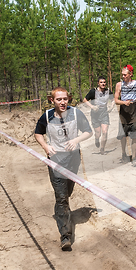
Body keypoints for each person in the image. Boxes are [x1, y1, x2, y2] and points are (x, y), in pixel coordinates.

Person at [34, 87, 93, 251]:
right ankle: (65, 236)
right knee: (61, 197)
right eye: (59, 99)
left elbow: (88, 132)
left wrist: (76, 140)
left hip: (73, 159)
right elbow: (38, 133)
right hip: (55, 160)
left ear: (69, 99)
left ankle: (63, 210)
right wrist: (46, 147)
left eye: (65, 99)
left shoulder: (76, 113)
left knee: (67, 192)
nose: (62, 102)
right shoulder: (47, 116)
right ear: (52, 100)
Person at [114, 64, 136, 166]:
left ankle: (134, 157)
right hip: (123, 113)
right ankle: (123, 154)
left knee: (134, 136)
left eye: (125, 75)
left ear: (130, 74)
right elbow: (116, 100)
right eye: (122, 75)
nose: (123, 76)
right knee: (123, 136)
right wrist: (123, 103)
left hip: (135, 112)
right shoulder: (119, 85)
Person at [84, 76, 114, 154]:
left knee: (105, 131)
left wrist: (111, 107)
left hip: (104, 112)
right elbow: (85, 100)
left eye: (104, 82)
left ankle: (102, 149)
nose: (103, 84)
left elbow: (113, 100)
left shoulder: (108, 91)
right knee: (98, 133)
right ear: (98, 83)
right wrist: (92, 106)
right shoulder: (93, 91)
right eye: (101, 82)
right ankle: (97, 138)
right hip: (95, 113)